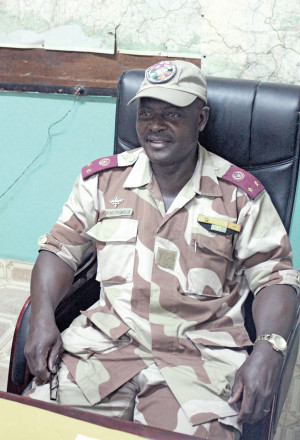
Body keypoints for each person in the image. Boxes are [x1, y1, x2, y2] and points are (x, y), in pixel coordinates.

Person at [25, 60, 299, 439]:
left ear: (201, 119)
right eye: (147, 113)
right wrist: (42, 316)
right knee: (33, 428)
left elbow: (276, 277)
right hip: (105, 346)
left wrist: (269, 348)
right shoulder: (102, 181)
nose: (155, 125)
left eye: (172, 114)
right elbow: (59, 250)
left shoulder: (239, 196)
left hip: (200, 359)